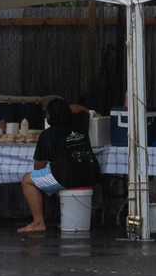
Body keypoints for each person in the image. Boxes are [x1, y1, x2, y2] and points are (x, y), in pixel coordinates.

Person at [18, 97, 98, 234]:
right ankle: (69, 219)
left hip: (66, 177)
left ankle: (38, 222)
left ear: (49, 116)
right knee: (58, 178)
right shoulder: (80, 122)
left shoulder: (46, 135)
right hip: (91, 173)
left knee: (27, 180)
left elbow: (39, 167)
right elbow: (83, 109)